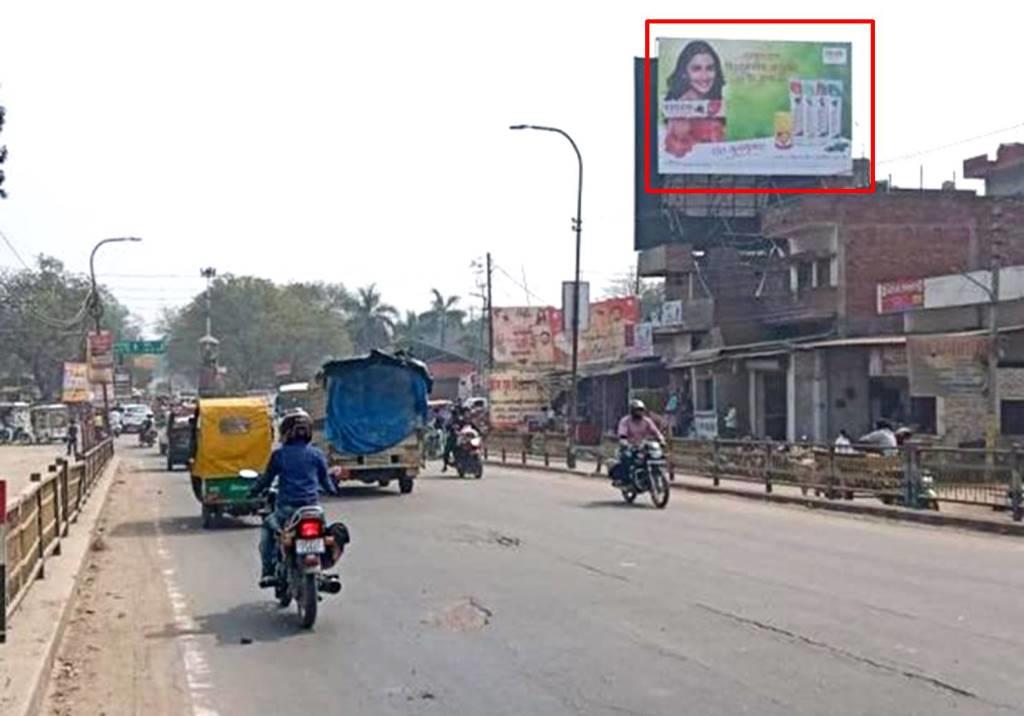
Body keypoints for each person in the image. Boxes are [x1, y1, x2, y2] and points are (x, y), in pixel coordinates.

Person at [247, 409, 338, 588]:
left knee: (268, 529)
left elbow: (266, 480)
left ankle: (268, 572)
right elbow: (327, 483)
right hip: (313, 510)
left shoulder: (279, 455)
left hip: (287, 510)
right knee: (326, 534)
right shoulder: (317, 454)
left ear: (285, 432)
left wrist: (253, 491)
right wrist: (333, 489)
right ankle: (322, 570)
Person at [664, 40, 727, 158]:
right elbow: (675, 152)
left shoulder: (718, 103)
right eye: (696, 69)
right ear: (684, 73)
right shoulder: (679, 108)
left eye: (710, 68)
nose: (704, 76)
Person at [612, 399, 666, 486]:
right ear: (632, 411)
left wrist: (661, 439)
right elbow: (622, 434)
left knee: (655, 456)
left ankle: (652, 475)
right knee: (627, 457)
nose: (639, 412)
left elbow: (655, 431)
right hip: (629, 446)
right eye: (637, 410)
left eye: (641, 410)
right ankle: (624, 480)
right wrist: (624, 441)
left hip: (643, 446)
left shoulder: (647, 421)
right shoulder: (625, 421)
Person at [441, 404, 469, 472]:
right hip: (453, 437)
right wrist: (452, 429)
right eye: (455, 413)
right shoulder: (450, 420)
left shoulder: (463, 420)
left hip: (464, 437)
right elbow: (446, 427)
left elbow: (471, 426)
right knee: (447, 450)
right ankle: (445, 465)